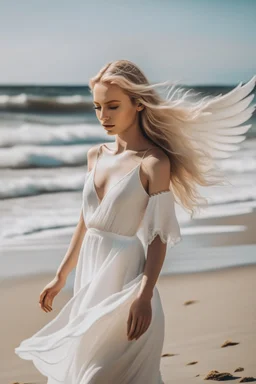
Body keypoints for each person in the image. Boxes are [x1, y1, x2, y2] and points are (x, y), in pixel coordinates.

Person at [15, 60, 255, 383]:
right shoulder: (94, 156)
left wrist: (144, 296)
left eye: (113, 106)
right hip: (91, 283)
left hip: (128, 289)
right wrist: (61, 276)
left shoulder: (154, 163)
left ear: (138, 103)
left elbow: (159, 237)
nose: (103, 117)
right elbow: (85, 223)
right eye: (98, 107)